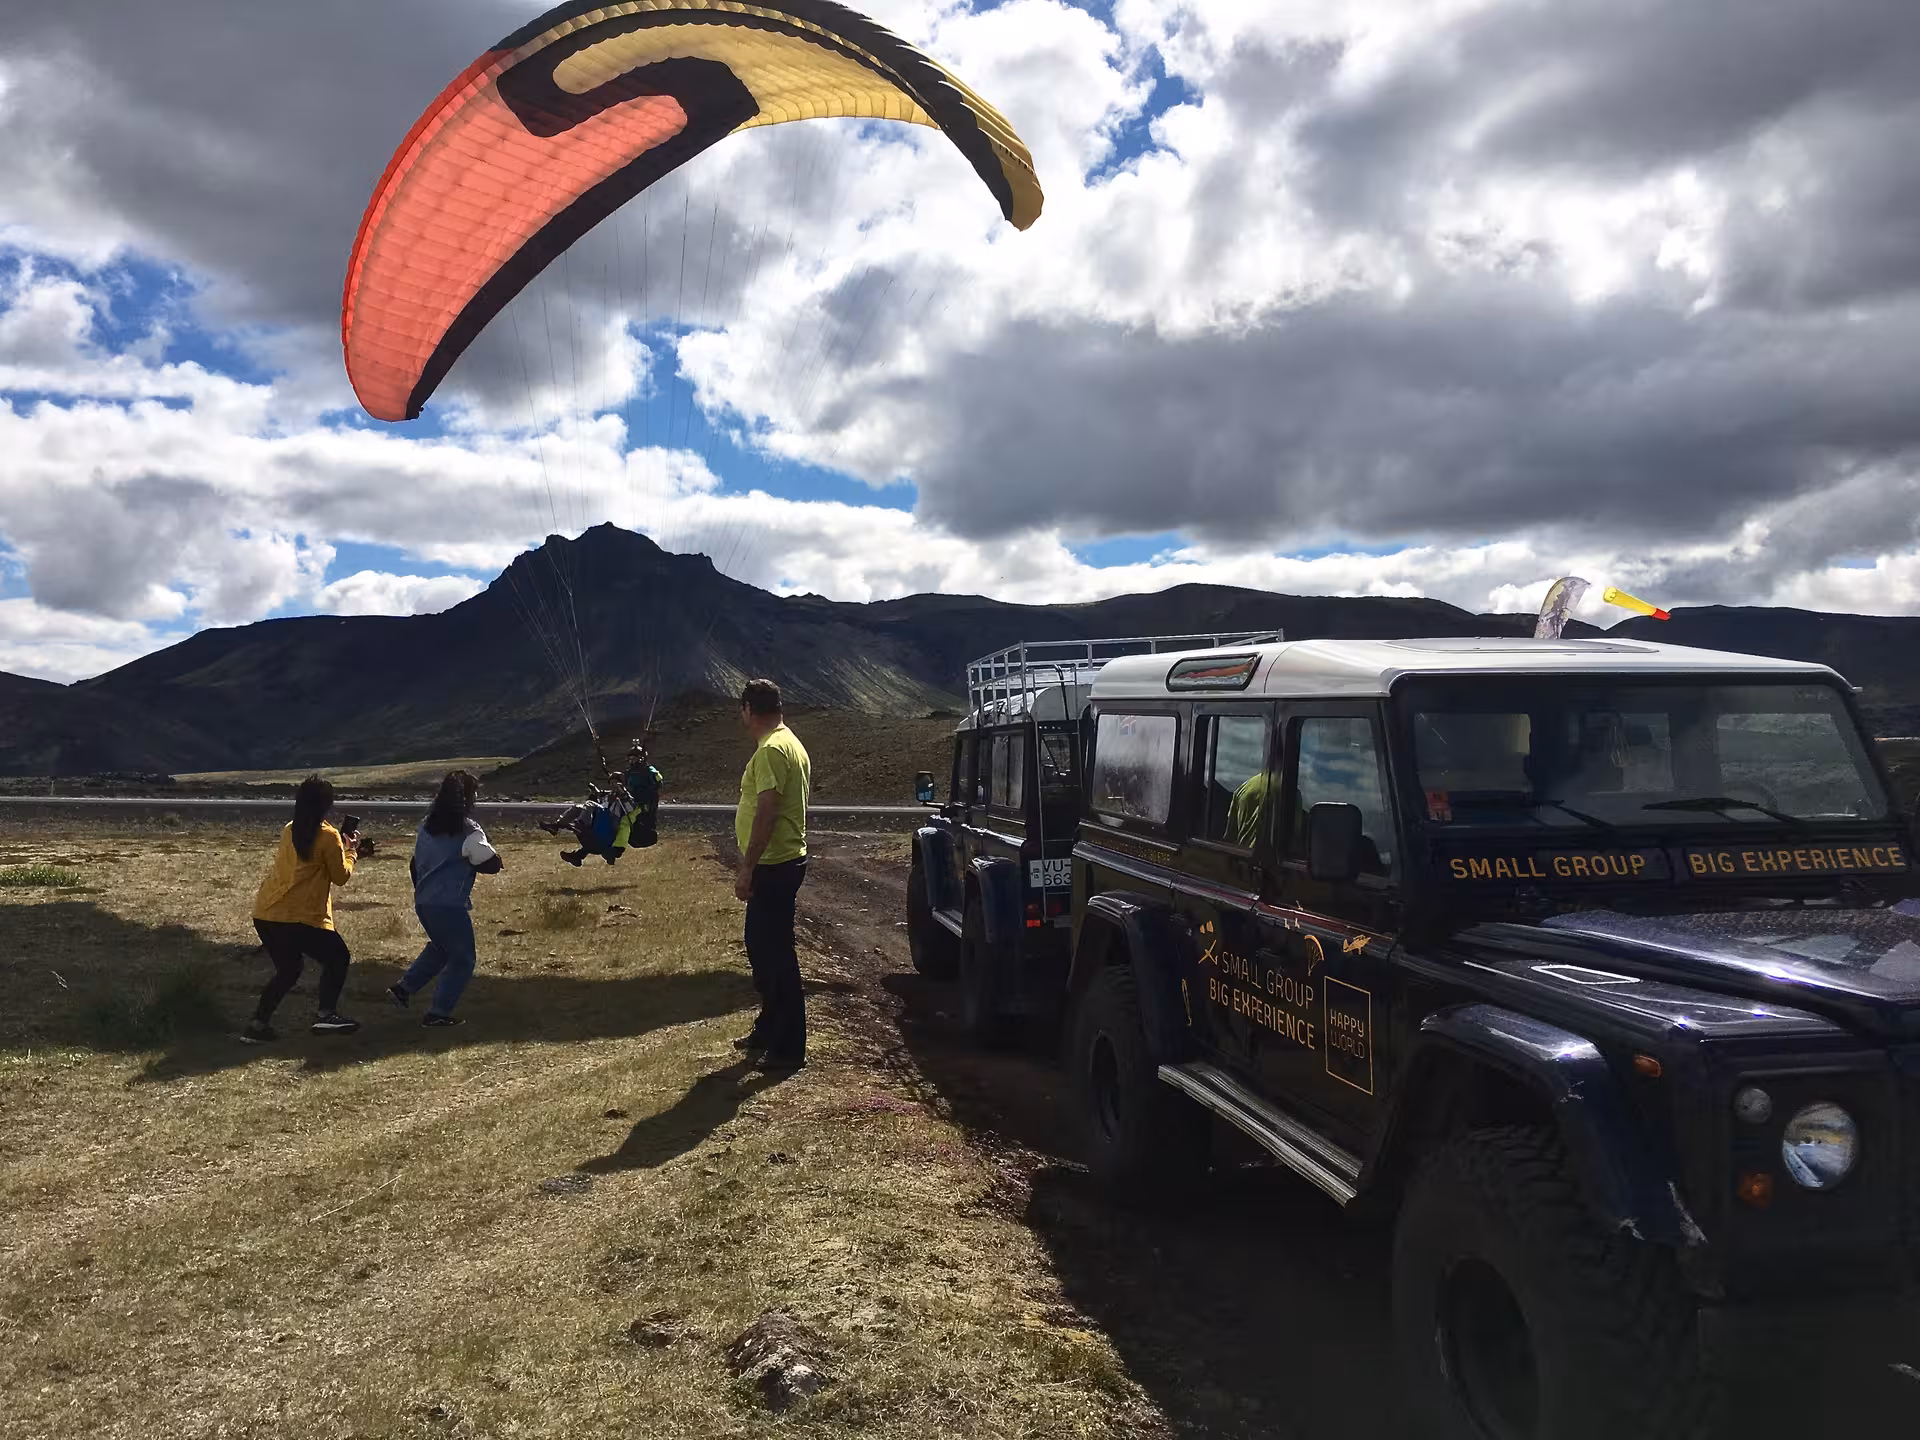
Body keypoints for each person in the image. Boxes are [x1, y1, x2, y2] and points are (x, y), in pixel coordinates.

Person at [244, 774, 360, 1043]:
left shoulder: (289, 829)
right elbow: (340, 876)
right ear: (326, 805)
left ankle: (257, 1026)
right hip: (299, 917)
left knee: (288, 970)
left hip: (267, 913)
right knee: (338, 958)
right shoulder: (328, 836)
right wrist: (351, 852)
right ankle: (325, 1015)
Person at [731, 678, 811, 1070]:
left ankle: (788, 1048)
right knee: (760, 949)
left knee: (777, 957)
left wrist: (747, 868)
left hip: (773, 866)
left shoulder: (772, 750)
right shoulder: (787, 742)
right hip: (779, 863)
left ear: (748, 708)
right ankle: (768, 1027)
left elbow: (767, 812)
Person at [390, 770, 504, 1026]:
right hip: (449, 904)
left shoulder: (426, 826)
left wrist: (422, 890)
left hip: (424, 901)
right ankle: (438, 1013)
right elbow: (489, 863)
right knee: (463, 958)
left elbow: (414, 864)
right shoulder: (469, 830)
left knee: (443, 948)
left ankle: (404, 988)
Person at [617, 742, 664, 851]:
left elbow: (659, 780)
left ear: (641, 759)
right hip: (631, 802)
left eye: (634, 759)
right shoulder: (629, 773)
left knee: (626, 820)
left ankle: (618, 848)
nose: (631, 762)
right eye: (630, 759)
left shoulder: (649, 770)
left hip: (644, 805)